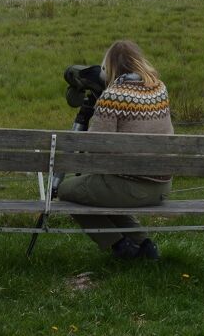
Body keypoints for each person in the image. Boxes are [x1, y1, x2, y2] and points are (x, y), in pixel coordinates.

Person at [58, 40, 173, 260]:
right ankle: (144, 243)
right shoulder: (160, 88)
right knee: (101, 191)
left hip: (130, 188)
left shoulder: (112, 96)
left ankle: (119, 245)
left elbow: (94, 149)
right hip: (162, 186)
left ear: (109, 66)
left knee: (67, 193)